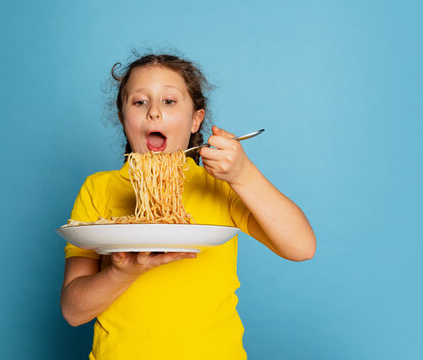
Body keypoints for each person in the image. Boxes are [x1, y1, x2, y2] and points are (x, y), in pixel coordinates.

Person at [60, 54, 316, 359]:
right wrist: (123, 271)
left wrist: (244, 174)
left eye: (169, 101)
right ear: (121, 117)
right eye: (139, 102)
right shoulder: (99, 189)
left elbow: (302, 247)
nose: (154, 112)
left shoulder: (219, 184)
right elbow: (74, 312)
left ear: (196, 119)